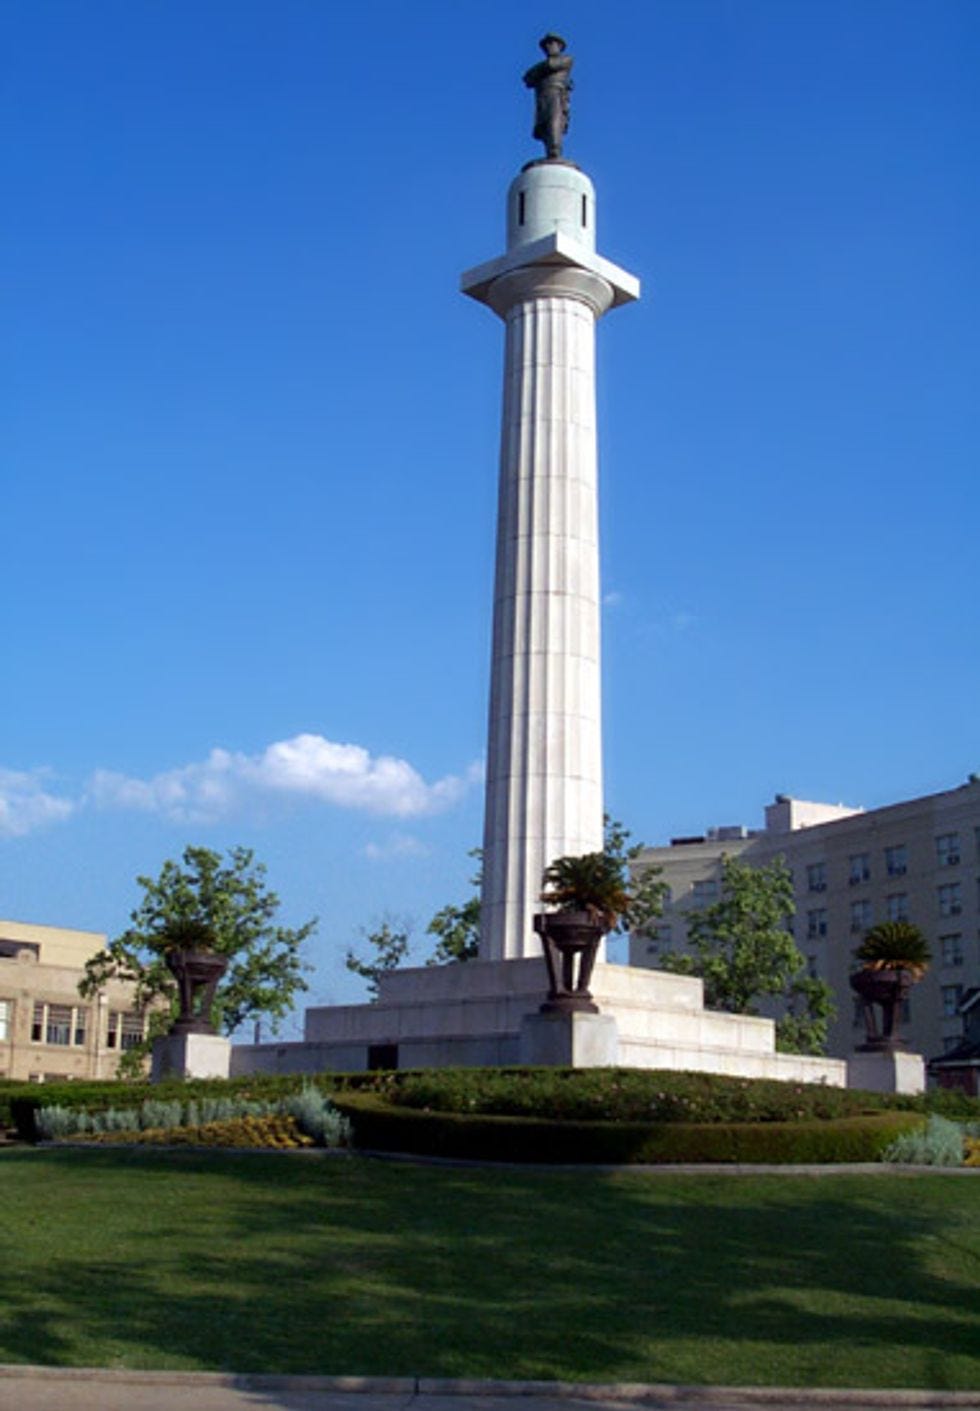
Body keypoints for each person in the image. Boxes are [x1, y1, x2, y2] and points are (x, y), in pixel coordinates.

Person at [523, 33, 573, 160]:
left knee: (554, 121)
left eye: (551, 43)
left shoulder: (567, 59)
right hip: (542, 96)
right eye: (546, 45)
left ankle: (555, 150)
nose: (548, 47)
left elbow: (552, 65)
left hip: (556, 94)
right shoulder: (543, 65)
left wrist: (538, 71)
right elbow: (527, 79)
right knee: (544, 125)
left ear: (559, 46)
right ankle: (549, 151)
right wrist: (540, 70)